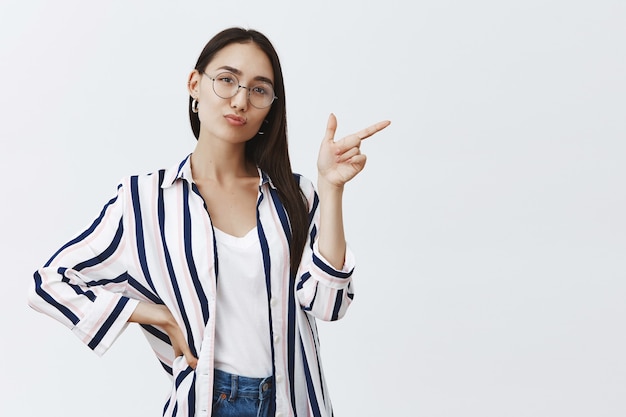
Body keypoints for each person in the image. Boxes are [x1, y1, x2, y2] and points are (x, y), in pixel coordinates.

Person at [28, 27, 390, 417]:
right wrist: (150, 315)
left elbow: (329, 303)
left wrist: (331, 187)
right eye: (227, 80)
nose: (240, 100)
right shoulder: (145, 199)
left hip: (294, 402)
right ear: (195, 84)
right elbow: (50, 282)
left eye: (258, 89)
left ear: (271, 106)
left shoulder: (295, 195)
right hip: (205, 403)